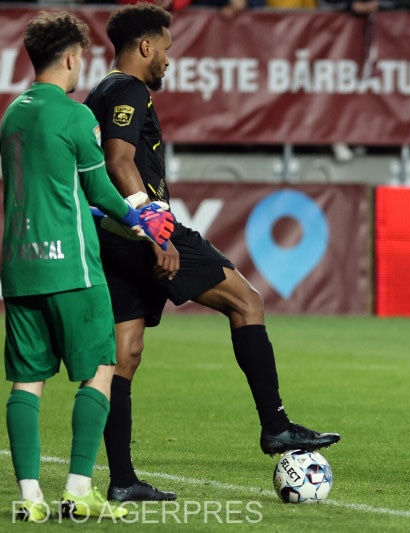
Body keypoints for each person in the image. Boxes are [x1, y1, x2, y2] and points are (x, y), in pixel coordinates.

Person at [83, 3, 340, 503]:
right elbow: (119, 160)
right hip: (145, 231)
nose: (168, 60)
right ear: (146, 46)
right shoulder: (130, 89)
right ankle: (276, 426)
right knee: (247, 303)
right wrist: (156, 227)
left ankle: (121, 480)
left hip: (111, 235)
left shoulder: (101, 91)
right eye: (167, 49)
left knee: (123, 357)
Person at [1, 11, 175, 521]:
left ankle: (29, 499)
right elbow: (99, 187)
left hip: (19, 266)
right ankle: (78, 488)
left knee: (27, 380)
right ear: (73, 58)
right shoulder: (77, 116)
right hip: (72, 265)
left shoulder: (12, 114)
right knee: (101, 369)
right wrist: (141, 221)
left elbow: (34, 183)